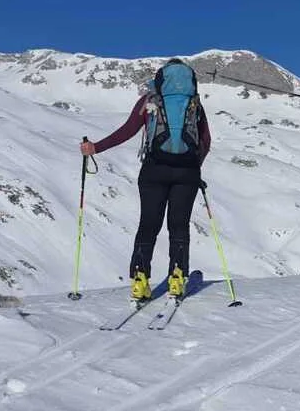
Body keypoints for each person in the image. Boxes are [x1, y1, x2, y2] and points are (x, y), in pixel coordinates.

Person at [80, 58, 211, 301]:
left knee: (148, 224)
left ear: (161, 79)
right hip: (187, 173)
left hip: (153, 171)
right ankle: (177, 277)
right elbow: (205, 142)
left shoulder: (150, 101)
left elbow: (127, 130)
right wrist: (194, 167)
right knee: (179, 226)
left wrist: (95, 148)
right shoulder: (195, 104)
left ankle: (140, 279)